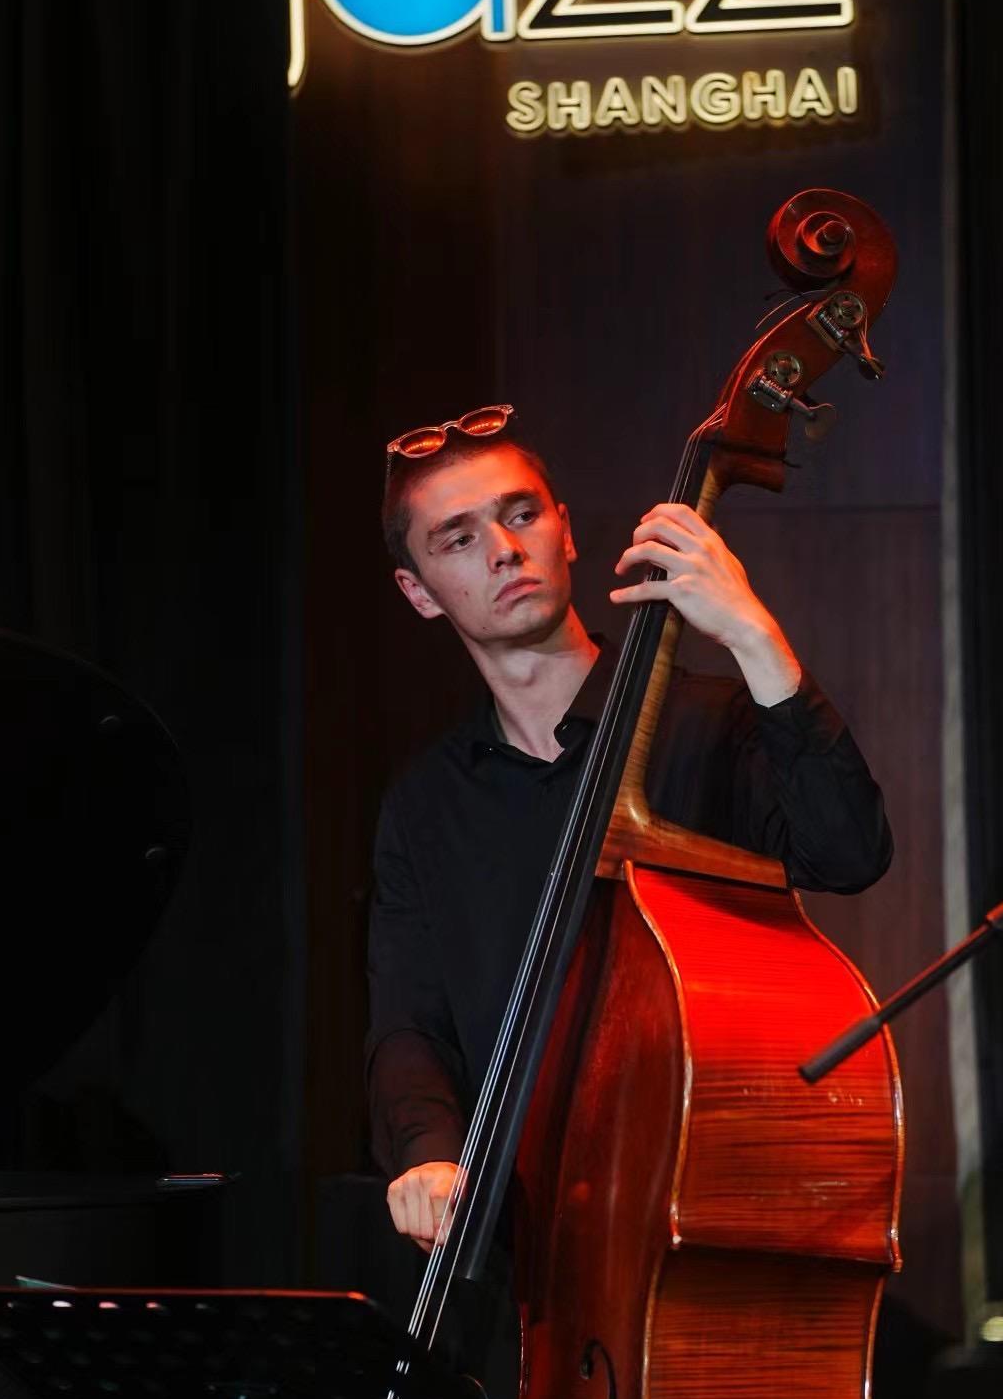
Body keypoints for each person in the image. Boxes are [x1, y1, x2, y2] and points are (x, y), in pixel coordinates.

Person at [368, 405, 892, 1251]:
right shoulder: (425, 805)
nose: (504, 549)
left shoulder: (709, 724)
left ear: (565, 531)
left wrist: (755, 637)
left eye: (521, 514)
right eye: (458, 539)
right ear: (419, 592)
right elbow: (409, 1023)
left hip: (706, 1208)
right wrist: (430, 1154)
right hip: (525, 1245)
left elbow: (849, 852)